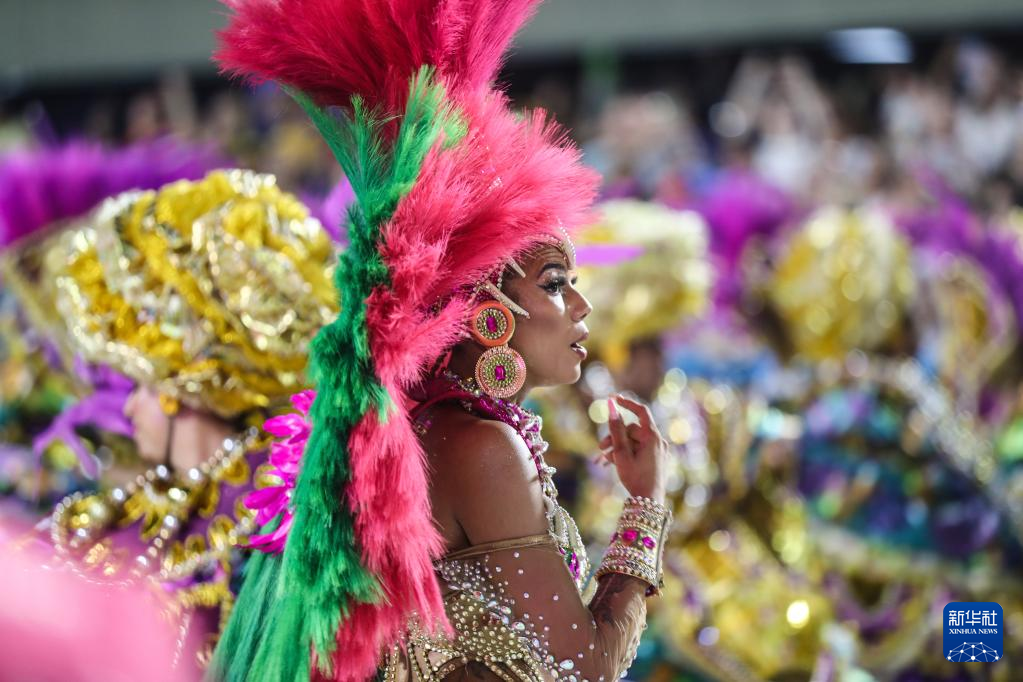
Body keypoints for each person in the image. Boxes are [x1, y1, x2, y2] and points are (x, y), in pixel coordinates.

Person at [208, 2, 673, 680]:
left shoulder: (428, 425)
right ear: (486, 311)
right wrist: (647, 506)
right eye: (554, 283)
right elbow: (588, 668)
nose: (581, 305)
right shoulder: (480, 446)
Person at [42, 168, 336, 673]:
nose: (128, 409)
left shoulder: (278, 516)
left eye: (139, 385)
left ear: (177, 387)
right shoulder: (125, 515)